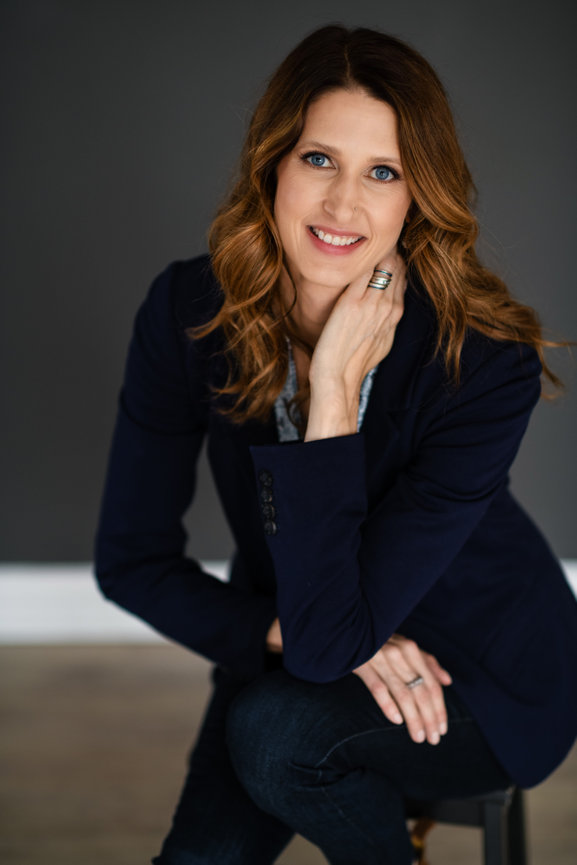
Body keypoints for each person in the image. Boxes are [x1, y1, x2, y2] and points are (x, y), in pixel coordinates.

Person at [95, 25, 577, 865]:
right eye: (319, 159)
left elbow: (328, 647)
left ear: (416, 198)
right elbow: (130, 562)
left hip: (471, 673)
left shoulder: (483, 362)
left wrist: (330, 396)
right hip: (295, 628)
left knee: (277, 735)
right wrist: (277, 632)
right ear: (271, 163)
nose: (343, 205)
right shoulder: (187, 312)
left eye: (382, 172)